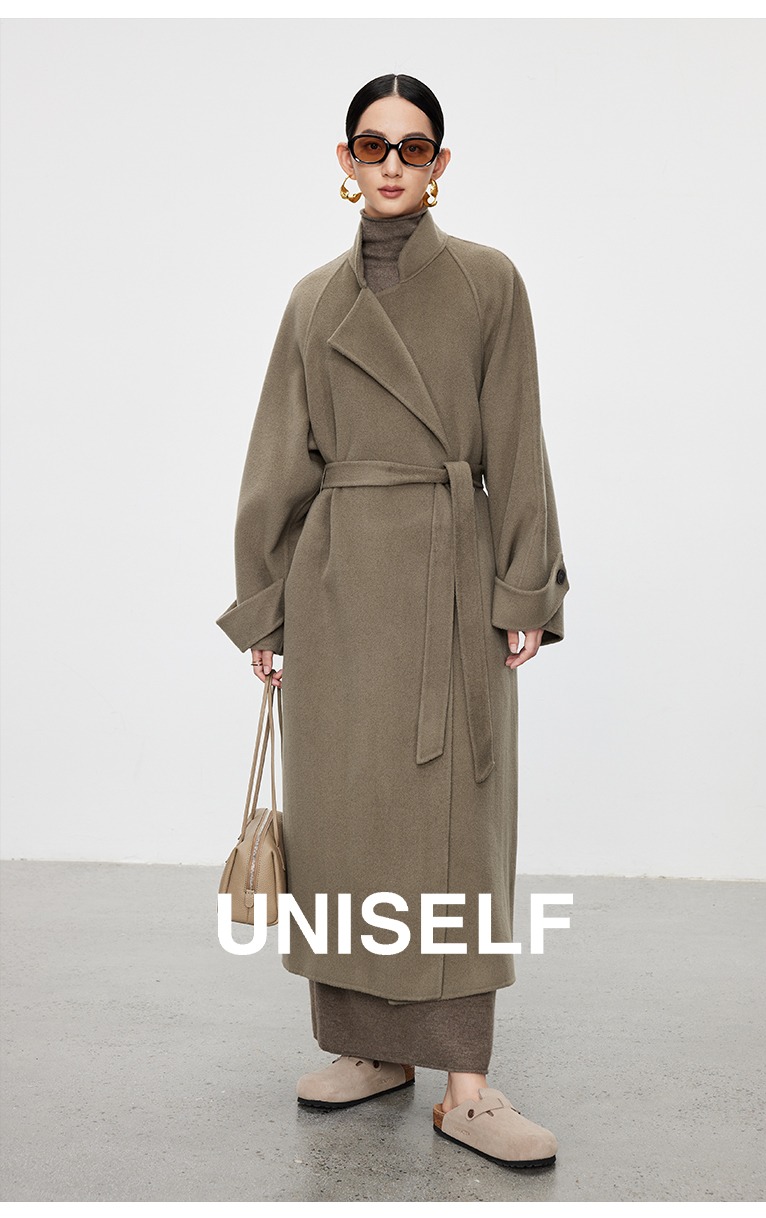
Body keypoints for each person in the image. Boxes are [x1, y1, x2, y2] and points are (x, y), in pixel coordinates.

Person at [216, 73, 570, 1171]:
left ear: (439, 165)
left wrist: (525, 587)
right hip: (336, 590)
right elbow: (277, 457)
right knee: (345, 826)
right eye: (372, 145)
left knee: (457, 835)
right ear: (345, 159)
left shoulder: (487, 282)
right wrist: (266, 604)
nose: (391, 165)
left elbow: (518, 438)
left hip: (450, 579)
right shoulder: (312, 300)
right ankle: (369, 1049)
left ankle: (466, 1088)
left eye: (413, 148)